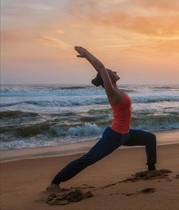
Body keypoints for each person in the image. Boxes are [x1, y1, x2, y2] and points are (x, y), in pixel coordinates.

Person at [47, 46, 157, 191]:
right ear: (107, 78)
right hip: (115, 135)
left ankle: (151, 170)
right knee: (89, 158)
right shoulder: (112, 92)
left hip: (126, 134)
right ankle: (55, 183)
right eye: (112, 72)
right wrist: (86, 54)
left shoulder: (118, 90)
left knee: (150, 138)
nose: (116, 72)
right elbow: (101, 67)